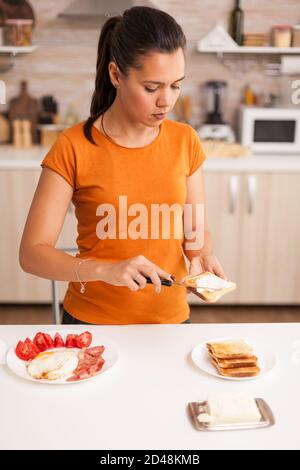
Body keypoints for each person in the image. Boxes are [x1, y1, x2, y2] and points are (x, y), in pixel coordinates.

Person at [19, 6, 226, 325]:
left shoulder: (185, 140)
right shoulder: (73, 147)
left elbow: (194, 228)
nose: (166, 101)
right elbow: (32, 252)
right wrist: (105, 270)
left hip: (169, 321)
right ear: (116, 74)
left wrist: (200, 256)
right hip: (93, 323)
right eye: (152, 87)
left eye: (176, 85)